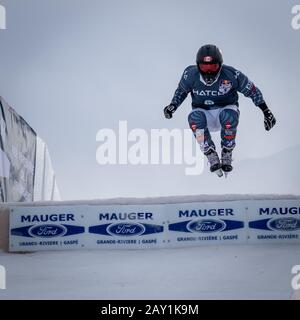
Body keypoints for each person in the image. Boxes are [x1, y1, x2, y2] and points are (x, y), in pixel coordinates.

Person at [164, 44, 276, 177]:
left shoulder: (232, 74)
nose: (209, 71)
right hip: (203, 112)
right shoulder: (190, 74)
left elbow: (252, 91)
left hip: (226, 108)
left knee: (228, 115)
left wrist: (266, 111)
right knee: (194, 119)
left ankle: (227, 149)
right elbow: (182, 91)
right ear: (198, 65)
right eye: (205, 67)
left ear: (220, 65)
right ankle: (208, 151)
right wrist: (173, 106)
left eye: (213, 66)